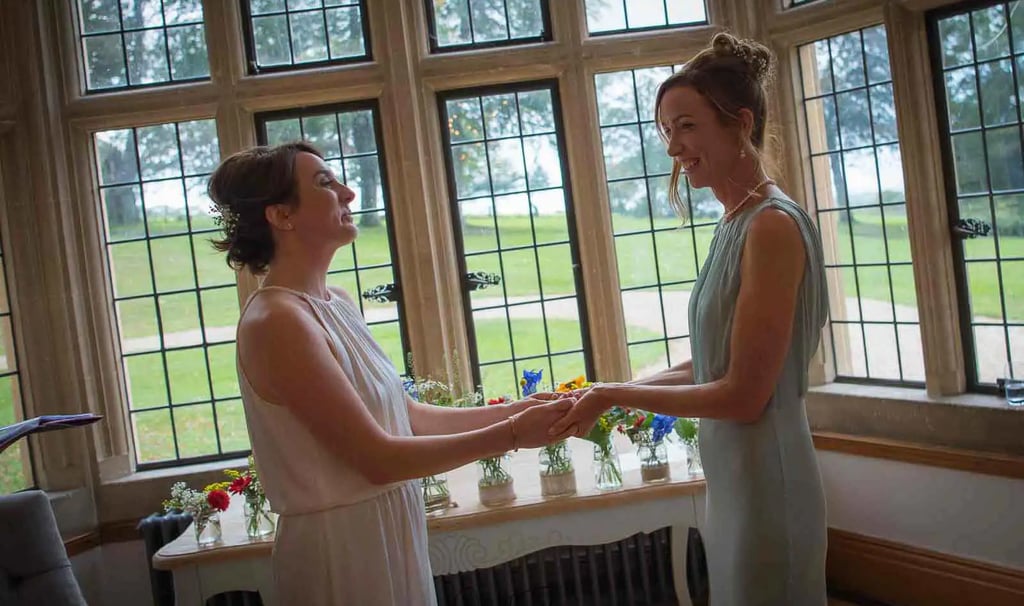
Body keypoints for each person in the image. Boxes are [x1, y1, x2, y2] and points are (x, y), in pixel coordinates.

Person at [208, 141, 575, 606]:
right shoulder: (278, 321)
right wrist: (514, 434)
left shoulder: (335, 302)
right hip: (341, 552)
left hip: (387, 532)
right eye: (324, 183)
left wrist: (519, 410)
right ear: (282, 216)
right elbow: (377, 460)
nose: (348, 192)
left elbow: (409, 416)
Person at [550, 32, 829, 606]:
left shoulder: (772, 226)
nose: (673, 146)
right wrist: (607, 393)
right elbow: (710, 365)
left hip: (769, 482)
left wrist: (616, 395)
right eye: (666, 131)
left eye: (687, 125)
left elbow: (744, 396)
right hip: (734, 479)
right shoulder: (735, 223)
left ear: (741, 122)